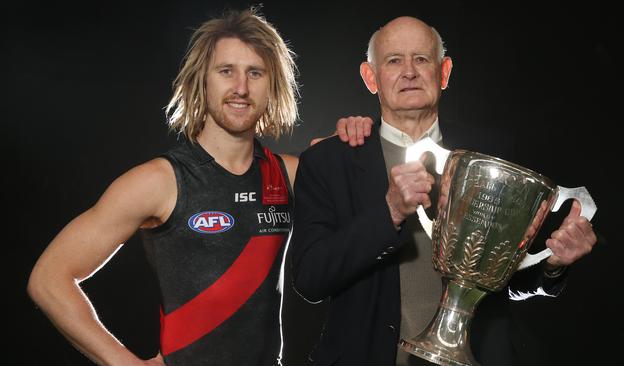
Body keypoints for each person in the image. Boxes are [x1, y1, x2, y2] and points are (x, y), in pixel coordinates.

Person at [27, 8, 370, 366]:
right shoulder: (159, 181)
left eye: (255, 73)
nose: (241, 87)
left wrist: (353, 143)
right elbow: (49, 278)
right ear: (202, 81)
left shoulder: (292, 175)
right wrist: (123, 363)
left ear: (272, 86)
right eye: (226, 71)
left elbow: (373, 228)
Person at [291, 16, 597, 366]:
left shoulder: (493, 153)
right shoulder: (328, 161)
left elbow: (505, 279)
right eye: (394, 60)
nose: (409, 71)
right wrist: (389, 211)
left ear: (445, 72)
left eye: (421, 59)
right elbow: (311, 278)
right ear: (371, 77)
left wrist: (553, 265)